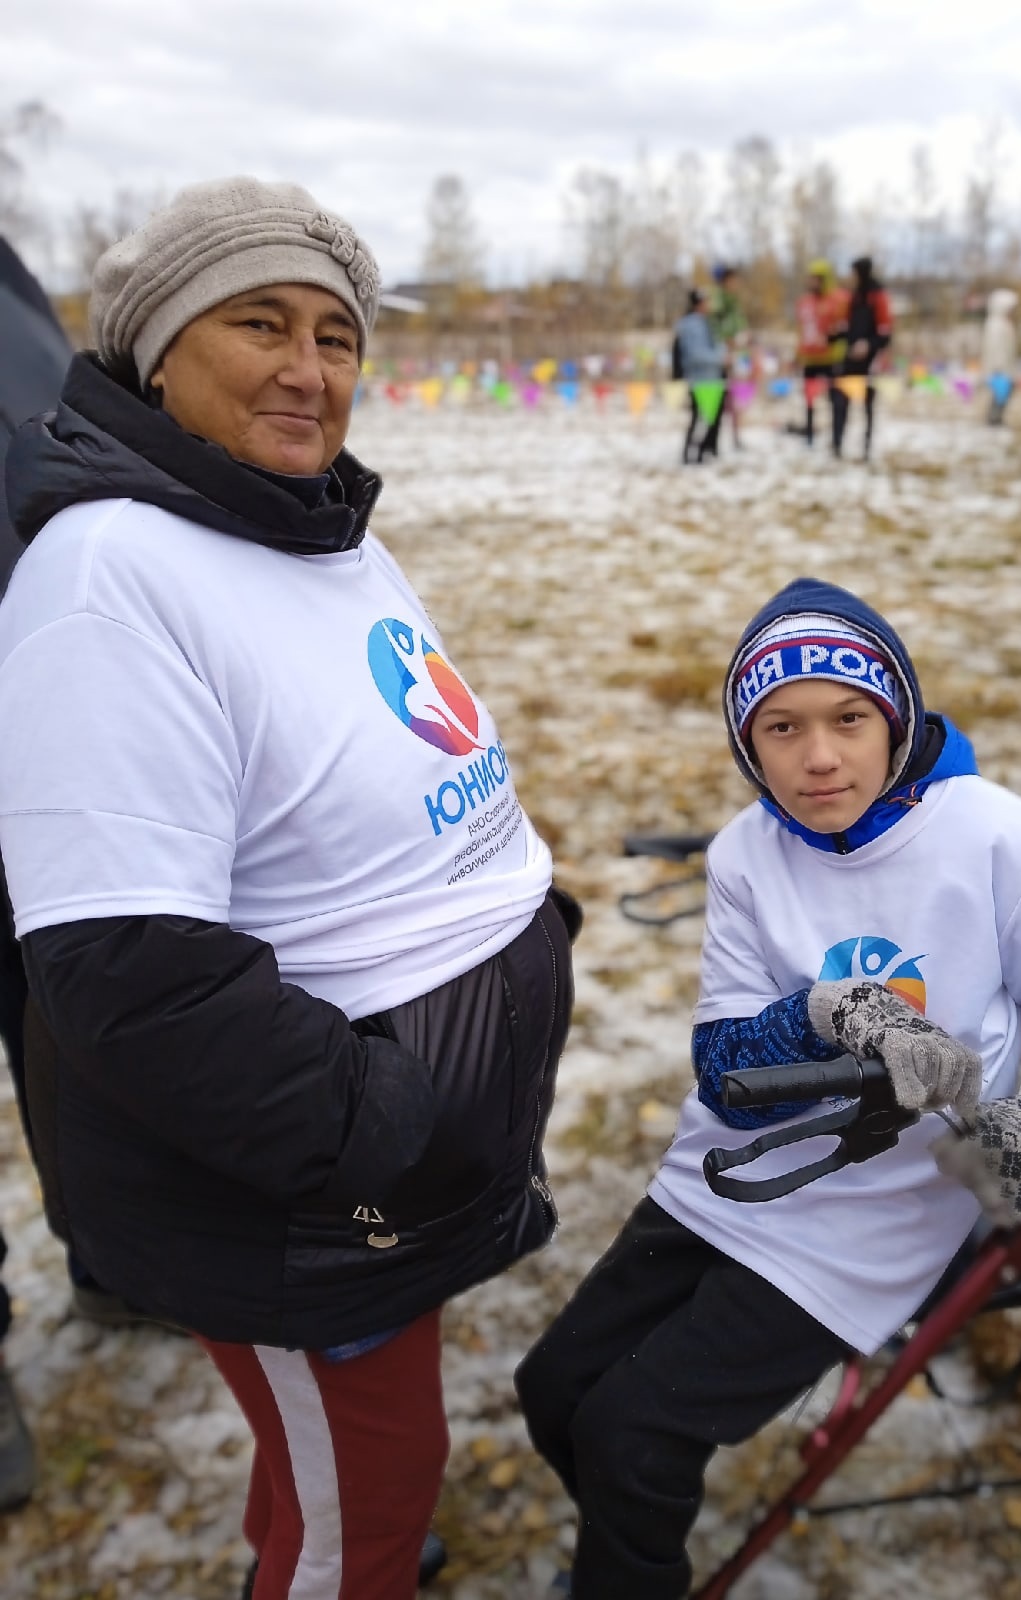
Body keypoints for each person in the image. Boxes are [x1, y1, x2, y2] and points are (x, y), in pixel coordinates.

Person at [0, 176, 577, 1600]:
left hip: (389, 1166)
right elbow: (128, 971)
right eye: (260, 323)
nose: (309, 370)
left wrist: (525, 923)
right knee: (363, 1507)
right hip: (303, 1194)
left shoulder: (308, 525)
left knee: (332, 1473)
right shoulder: (110, 576)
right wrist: (379, 1123)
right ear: (156, 353)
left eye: (336, 335)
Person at [516, 576, 1021, 1600]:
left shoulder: (1000, 840)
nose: (819, 757)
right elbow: (724, 1065)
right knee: (553, 1389)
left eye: (849, 719)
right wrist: (826, 1012)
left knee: (634, 1434)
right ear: (748, 744)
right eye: (783, 728)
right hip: (735, 1175)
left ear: (895, 716)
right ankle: (625, 1554)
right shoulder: (746, 852)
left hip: (888, 1210)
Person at [831, 256, 892, 460]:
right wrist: (835, 336)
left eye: (853, 273)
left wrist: (868, 345)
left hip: (870, 361)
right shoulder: (853, 296)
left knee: (867, 406)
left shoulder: (879, 296)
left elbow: (885, 332)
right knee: (840, 401)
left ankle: (866, 448)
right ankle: (837, 444)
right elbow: (849, 327)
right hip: (850, 359)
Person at [791, 259, 846, 445]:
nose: (812, 282)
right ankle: (809, 436)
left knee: (835, 399)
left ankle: (836, 439)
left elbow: (843, 328)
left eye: (816, 278)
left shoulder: (838, 299)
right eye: (811, 278)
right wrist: (797, 355)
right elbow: (801, 331)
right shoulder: (804, 302)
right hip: (810, 359)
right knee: (809, 399)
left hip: (831, 358)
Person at [672, 287, 726, 464]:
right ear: (699, 303)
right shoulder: (691, 326)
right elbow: (694, 354)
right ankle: (691, 455)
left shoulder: (707, 322)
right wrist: (720, 358)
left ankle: (704, 452)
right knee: (699, 419)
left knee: (710, 419)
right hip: (700, 379)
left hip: (712, 378)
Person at [709, 265, 747, 450]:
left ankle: (735, 438)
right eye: (733, 280)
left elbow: (739, 324)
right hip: (722, 357)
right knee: (716, 401)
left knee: (735, 401)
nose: (736, 283)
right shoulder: (717, 301)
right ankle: (712, 442)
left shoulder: (732, 301)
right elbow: (716, 328)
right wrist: (727, 342)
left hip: (735, 355)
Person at [980, 287, 1019, 425]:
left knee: (1003, 393)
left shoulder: (1004, 323)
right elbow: (995, 347)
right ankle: (993, 418)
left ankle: (997, 417)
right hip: (999, 368)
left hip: (1005, 367)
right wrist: (999, 366)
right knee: (999, 394)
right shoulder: (995, 325)